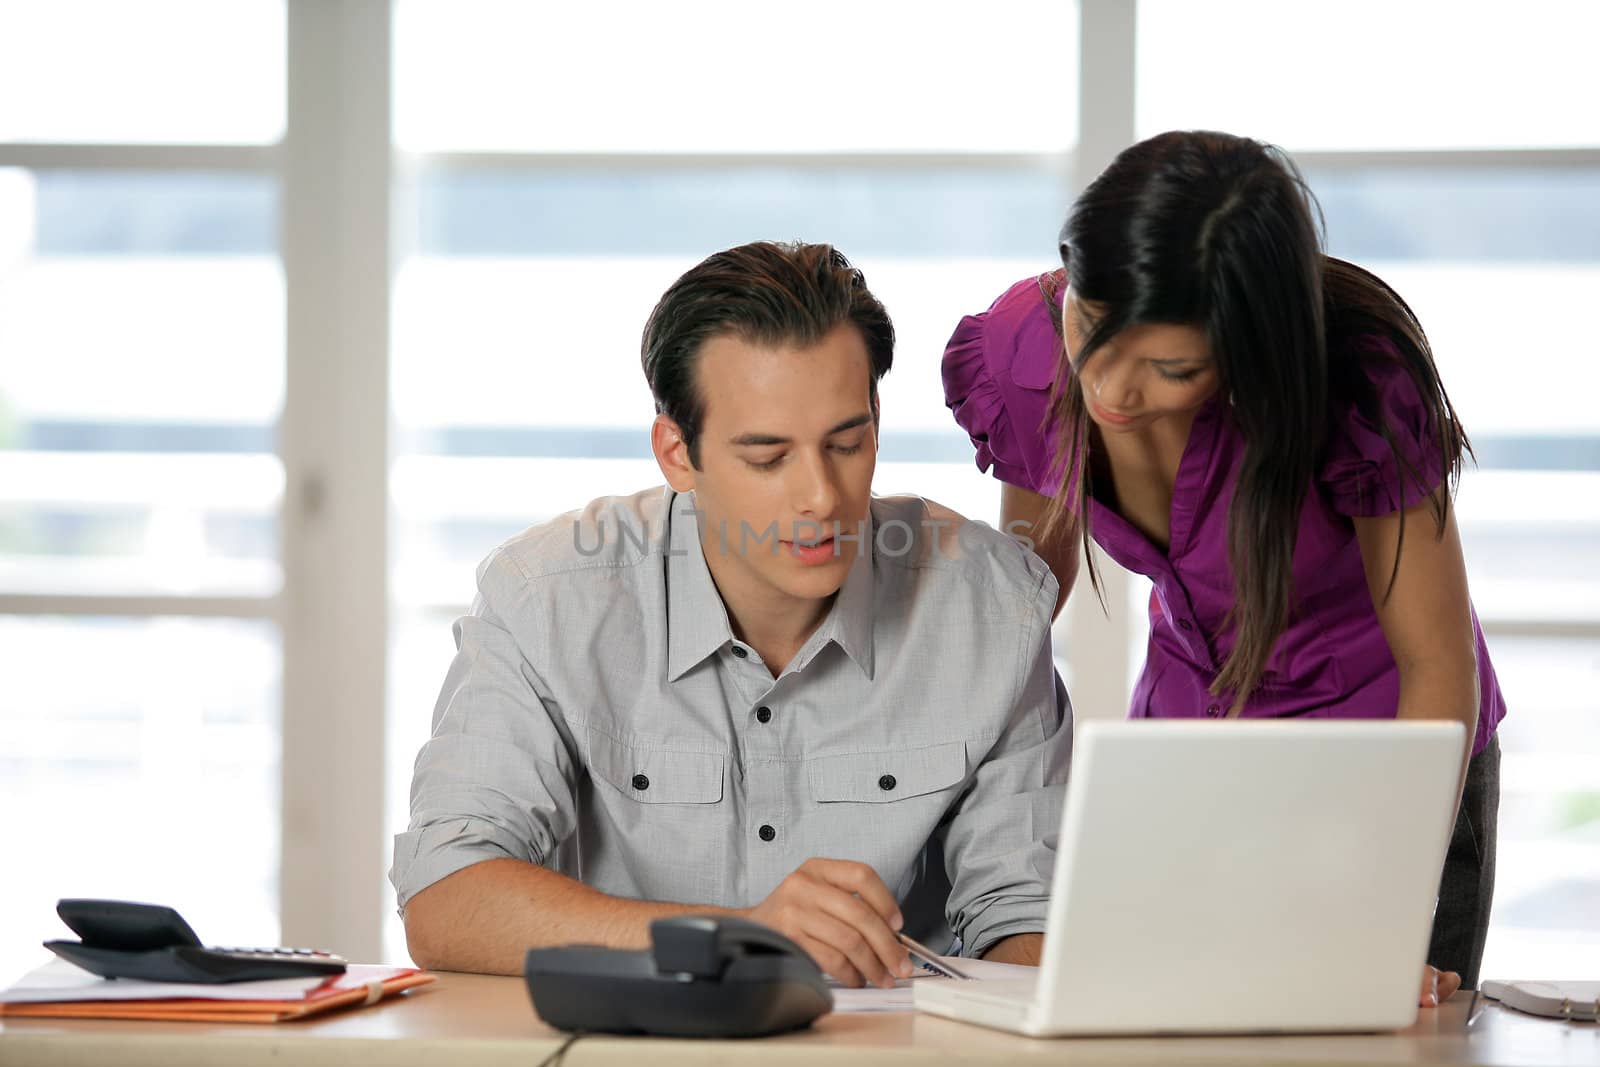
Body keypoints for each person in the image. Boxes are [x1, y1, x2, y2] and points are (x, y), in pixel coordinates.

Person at [393, 240, 1071, 987]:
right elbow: (445, 893)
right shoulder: (547, 597)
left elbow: (1028, 917)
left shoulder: (994, 609)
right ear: (677, 454)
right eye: (767, 457)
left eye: (847, 442)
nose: (820, 495)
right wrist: (735, 936)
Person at [942, 131, 1505, 1004]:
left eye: (1173, 367)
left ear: (1252, 348)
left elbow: (1436, 662)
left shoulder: (1355, 375)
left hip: (1387, 768)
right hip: (1185, 760)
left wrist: (1385, 904)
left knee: (1378, 1029)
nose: (1114, 390)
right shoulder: (1021, 356)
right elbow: (1024, 601)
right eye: (1093, 325)